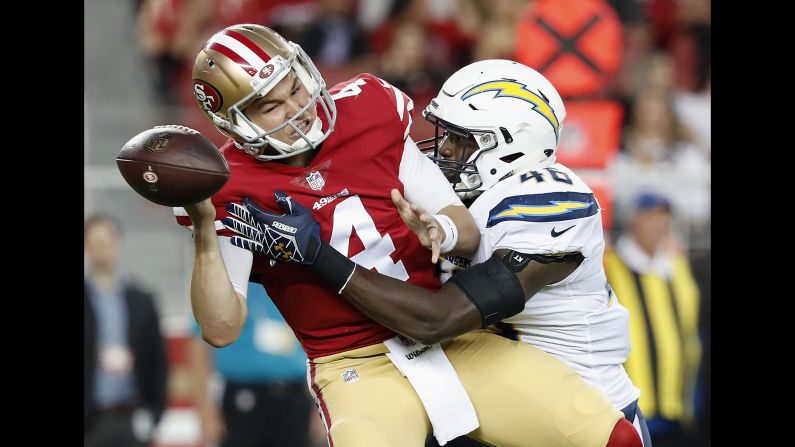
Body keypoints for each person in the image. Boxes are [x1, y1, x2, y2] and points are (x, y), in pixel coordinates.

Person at [176, 24, 637, 447]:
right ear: (233, 122)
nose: (298, 108)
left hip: (452, 341)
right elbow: (221, 327)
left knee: (610, 437)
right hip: (355, 365)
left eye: (295, 87)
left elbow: (462, 229)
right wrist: (202, 227)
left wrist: (442, 229)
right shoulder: (229, 184)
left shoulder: (367, 109)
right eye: (272, 104)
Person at [604, 192, 705, 447]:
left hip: (677, 409)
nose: (658, 224)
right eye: (650, 216)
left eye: (664, 217)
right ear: (632, 221)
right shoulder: (610, 266)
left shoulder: (677, 267)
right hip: (626, 411)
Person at [188, 282, 317, 447]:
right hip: (242, 399)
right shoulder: (222, 281)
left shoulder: (295, 277)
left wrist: (319, 409)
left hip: (294, 398)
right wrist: (205, 412)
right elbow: (198, 348)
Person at [84, 214, 169, 447]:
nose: (101, 249)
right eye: (94, 243)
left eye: (105, 242)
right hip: (91, 420)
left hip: (133, 418)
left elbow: (157, 361)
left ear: (117, 244)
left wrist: (154, 414)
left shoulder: (142, 300)